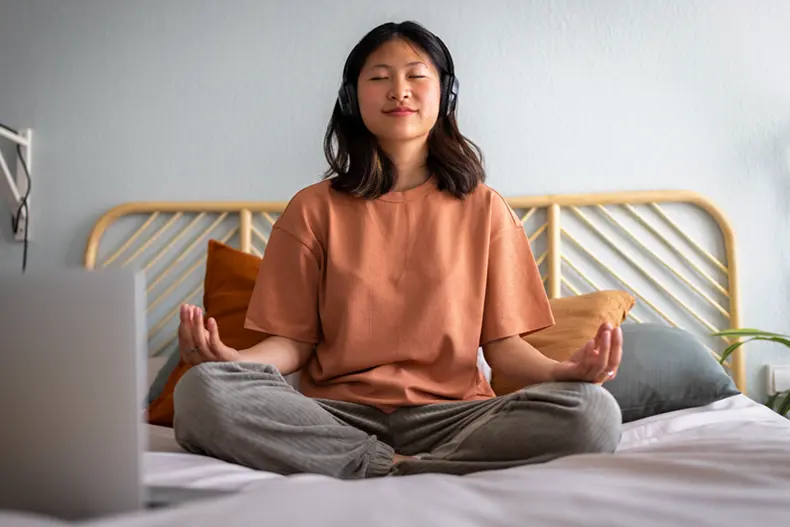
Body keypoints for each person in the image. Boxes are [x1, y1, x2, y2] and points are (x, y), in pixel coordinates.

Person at [172, 20, 623, 479]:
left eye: (416, 75)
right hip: (336, 415)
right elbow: (292, 344)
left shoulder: (486, 209)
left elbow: (504, 349)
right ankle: (393, 465)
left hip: (453, 417)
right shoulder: (311, 209)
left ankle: (393, 465)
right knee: (200, 392)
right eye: (379, 77)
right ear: (352, 98)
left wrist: (561, 373)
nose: (399, 91)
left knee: (593, 412)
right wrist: (234, 363)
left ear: (446, 95)